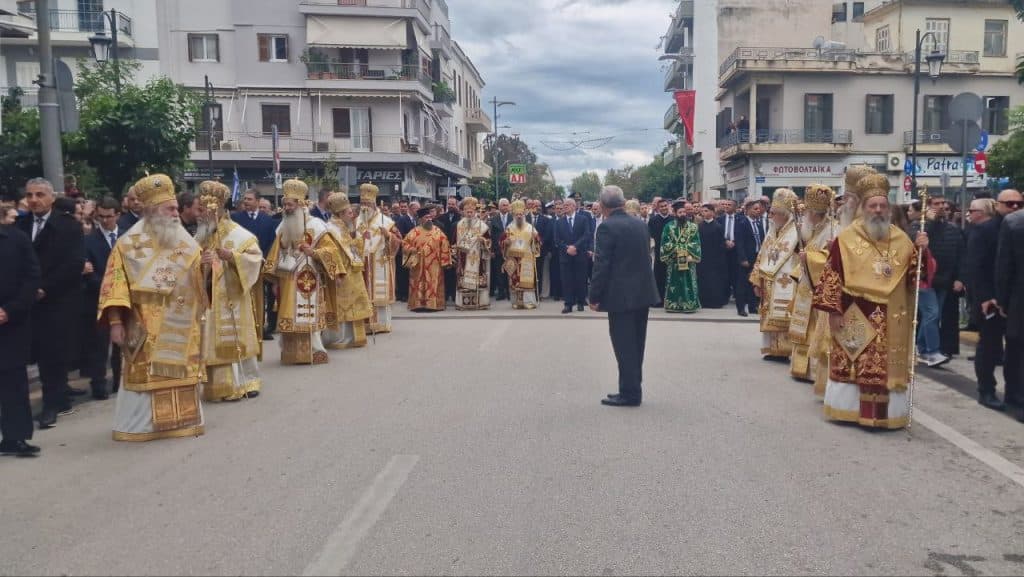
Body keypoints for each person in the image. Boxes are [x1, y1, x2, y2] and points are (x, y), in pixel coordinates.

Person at [814, 174, 929, 430]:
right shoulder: (845, 239)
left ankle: (886, 415)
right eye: (872, 205)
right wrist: (833, 311)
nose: (877, 210)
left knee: (885, 367)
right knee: (856, 366)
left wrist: (923, 251)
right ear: (863, 208)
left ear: (888, 209)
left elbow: (916, 278)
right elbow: (831, 277)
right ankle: (851, 412)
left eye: (882, 205)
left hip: (892, 316)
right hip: (856, 312)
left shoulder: (902, 239)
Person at [97, 174, 207, 441]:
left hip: (179, 320)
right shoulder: (127, 244)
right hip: (143, 322)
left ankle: (182, 419)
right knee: (146, 372)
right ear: (154, 211)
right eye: (170, 209)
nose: (176, 213)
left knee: (179, 368)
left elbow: (199, 282)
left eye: (174, 208)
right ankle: (141, 425)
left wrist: (208, 268)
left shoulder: (186, 243)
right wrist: (115, 323)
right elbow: (115, 286)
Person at [16, 178, 85, 429]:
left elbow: (73, 264)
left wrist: (45, 288)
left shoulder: (68, 227)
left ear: (51, 198)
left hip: (56, 301)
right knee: (26, 355)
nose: (34, 200)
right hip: (26, 301)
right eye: (30, 195)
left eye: (39, 194)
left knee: (52, 356)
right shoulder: (20, 224)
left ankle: (53, 404)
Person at [589, 186, 660, 407]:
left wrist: (594, 296)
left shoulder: (606, 227)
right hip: (642, 293)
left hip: (621, 296)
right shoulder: (639, 224)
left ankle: (629, 394)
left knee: (624, 345)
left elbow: (602, 265)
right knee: (637, 344)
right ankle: (632, 387)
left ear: (602, 206)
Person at [194, 181, 264, 402]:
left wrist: (232, 256)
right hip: (211, 300)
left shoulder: (240, 235)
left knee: (238, 336)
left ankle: (246, 381)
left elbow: (255, 259)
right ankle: (218, 386)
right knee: (212, 339)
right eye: (200, 210)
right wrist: (200, 264)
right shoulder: (198, 238)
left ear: (217, 210)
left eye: (205, 211)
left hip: (233, 297)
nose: (201, 215)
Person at [263, 179, 345, 365]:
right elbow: (275, 254)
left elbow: (332, 251)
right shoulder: (282, 226)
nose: (287, 208)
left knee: (308, 315)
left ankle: (316, 350)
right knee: (290, 315)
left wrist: (314, 252)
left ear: (300, 204)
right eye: (284, 204)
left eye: (290, 204)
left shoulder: (316, 225)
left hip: (310, 278)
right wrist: (275, 281)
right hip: (287, 278)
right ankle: (291, 352)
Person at [970, 190, 1023, 411]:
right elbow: (976, 266)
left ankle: (1014, 394)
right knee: (990, 346)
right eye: (1009, 203)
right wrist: (985, 296)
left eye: (1019, 203)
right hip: (990, 299)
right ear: (997, 205)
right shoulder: (985, 230)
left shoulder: (1019, 228)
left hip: (1014, 301)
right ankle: (986, 390)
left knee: (1016, 349)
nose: (1014, 207)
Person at [787, 184, 836, 382]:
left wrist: (810, 258)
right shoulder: (809, 229)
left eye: (808, 211)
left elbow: (831, 257)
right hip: (805, 282)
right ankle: (800, 368)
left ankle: (814, 370)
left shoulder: (833, 229)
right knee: (803, 326)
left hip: (820, 286)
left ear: (815, 213)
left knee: (815, 327)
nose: (805, 214)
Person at [0, 223, 41, 456]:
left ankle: (15, 437)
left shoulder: (17, 239)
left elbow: (32, 277)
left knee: (13, 384)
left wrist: (10, 310)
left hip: (11, 323)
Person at [749, 189, 800, 361]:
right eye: (771, 213)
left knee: (784, 315)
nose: (771, 216)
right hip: (769, 281)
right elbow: (762, 256)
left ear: (785, 215)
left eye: (774, 213)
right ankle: (772, 349)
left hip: (787, 282)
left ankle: (785, 350)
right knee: (769, 315)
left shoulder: (797, 233)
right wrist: (757, 280)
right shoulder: (772, 230)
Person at [82, 197, 123, 399]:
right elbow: (88, 272)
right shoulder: (89, 241)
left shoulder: (127, 238)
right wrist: (109, 289)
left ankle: (120, 382)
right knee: (99, 345)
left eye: (109, 216)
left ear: (118, 215)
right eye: (101, 217)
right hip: (98, 298)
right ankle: (98, 385)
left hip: (124, 299)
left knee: (121, 344)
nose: (105, 220)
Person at [322, 193, 374, 350]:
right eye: (350, 213)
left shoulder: (343, 226)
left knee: (353, 303)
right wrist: (337, 272)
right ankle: (340, 338)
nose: (353, 216)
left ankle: (353, 337)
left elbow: (350, 246)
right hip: (342, 272)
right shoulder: (331, 229)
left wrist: (361, 238)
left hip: (352, 271)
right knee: (342, 304)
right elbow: (333, 252)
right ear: (341, 214)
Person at [232, 190, 279, 341]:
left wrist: (265, 260)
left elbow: (272, 243)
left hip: (261, 265)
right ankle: (245, 328)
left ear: (258, 201)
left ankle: (260, 327)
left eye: (249, 199)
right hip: (242, 264)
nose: (246, 202)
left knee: (261, 298)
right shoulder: (236, 218)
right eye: (245, 199)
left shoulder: (267, 220)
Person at [995, 191, 1024, 421]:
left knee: (1016, 348)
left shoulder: (1013, 222)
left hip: (1018, 297)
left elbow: (1004, 266)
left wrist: (1003, 300)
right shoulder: (1015, 222)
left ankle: (1015, 394)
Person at [356, 184, 401, 333]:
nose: (365, 207)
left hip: (380, 263)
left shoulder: (386, 221)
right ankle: (365, 325)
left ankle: (381, 324)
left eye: (367, 204)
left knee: (378, 294)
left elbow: (398, 241)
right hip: (362, 263)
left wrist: (388, 235)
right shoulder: (356, 222)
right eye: (362, 204)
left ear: (374, 204)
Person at [403, 206, 452, 312]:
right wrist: (412, 249)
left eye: (430, 217)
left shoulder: (438, 231)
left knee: (433, 283)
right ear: (420, 219)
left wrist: (445, 261)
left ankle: (434, 305)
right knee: (417, 283)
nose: (429, 219)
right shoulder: (414, 232)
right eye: (426, 217)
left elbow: (445, 245)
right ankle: (417, 305)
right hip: (418, 264)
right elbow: (404, 244)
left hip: (434, 264)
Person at [660, 200, 702, 313]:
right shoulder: (668, 227)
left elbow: (696, 243)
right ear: (675, 213)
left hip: (689, 259)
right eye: (680, 212)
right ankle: (673, 304)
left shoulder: (693, 227)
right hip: (673, 260)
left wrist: (684, 250)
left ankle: (689, 304)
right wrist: (677, 249)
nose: (682, 214)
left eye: (684, 212)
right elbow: (664, 243)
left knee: (688, 281)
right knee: (674, 282)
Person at [501, 200, 542, 310]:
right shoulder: (509, 227)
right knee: (515, 281)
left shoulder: (530, 227)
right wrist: (506, 242)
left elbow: (538, 242)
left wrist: (535, 239)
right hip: (514, 259)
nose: (519, 216)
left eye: (521, 214)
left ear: (524, 215)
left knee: (527, 281)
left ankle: (528, 301)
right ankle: (517, 302)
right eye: (517, 214)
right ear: (513, 215)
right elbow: (502, 240)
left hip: (526, 258)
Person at [555, 198, 593, 314]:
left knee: (580, 279)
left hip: (579, 254)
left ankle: (581, 302)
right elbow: (557, 239)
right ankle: (568, 304)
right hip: (565, 256)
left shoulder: (583, 219)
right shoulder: (559, 222)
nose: (564, 207)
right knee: (567, 280)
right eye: (563, 205)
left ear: (573, 206)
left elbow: (586, 235)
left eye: (567, 205)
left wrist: (575, 247)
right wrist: (567, 248)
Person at [453, 197, 491, 310]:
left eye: (471, 212)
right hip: (463, 257)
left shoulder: (482, 226)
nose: (469, 214)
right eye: (467, 211)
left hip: (477, 256)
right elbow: (454, 241)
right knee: (463, 277)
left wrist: (483, 241)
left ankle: (480, 302)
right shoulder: (459, 225)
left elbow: (489, 242)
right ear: (463, 211)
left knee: (478, 277)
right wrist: (456, 252)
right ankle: (463, 303)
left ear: (475, 212)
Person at [734, 199, 764, 317]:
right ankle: (741, 308)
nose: (758, 211)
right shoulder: (742, 222)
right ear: (747, 210)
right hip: (746, 258)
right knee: (742, 284)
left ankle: (753, 306)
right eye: (755, 209)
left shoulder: (759, 223)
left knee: (754, 282)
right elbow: (739, 242)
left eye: (759, 209)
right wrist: (743, 259)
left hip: (757, 256)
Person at [697, 203, 728, 309]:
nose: (704, 213)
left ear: (712, 212)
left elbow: (721, 244)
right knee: (703, 280)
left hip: (715, 259)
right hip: (703, 258)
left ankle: (716, 302)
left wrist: (720, 259)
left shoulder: (718, 226)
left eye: (706, 211)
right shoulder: (699, 226)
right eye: (703, 211)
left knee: (715, 281)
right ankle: (704, 301)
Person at [436, 196, 461, 303]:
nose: (451, 206)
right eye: (449, 204)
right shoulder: (441, 218)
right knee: (446, 272)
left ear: (456, 205)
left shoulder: (460, 218)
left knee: (455, 272)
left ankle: (455, 294)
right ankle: (446, 295)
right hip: (444, 248)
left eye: (453, 204)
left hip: (456, 248)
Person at [648, 198, 672, 306]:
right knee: (658, 276)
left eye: (665, 206)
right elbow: (650, 236)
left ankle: (670, 299)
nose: (664, 208)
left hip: (671, 253)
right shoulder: (653, 220)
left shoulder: (673, 220)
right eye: (661, 206)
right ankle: (658, 300)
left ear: (668, 206)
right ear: (658, 208)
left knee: (670, 276)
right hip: (657, 253)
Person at [489, 198, 513, 300]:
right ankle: (501, 292)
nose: (505, 207)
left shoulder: (513, 218)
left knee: (510, 271)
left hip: (511, 250)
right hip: (498, 250)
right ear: (499, 207)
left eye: (507, 205)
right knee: (499, 272)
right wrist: (492, 250)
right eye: (503, 205)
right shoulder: (494, 219)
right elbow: (492, 236)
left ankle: (509, 292)